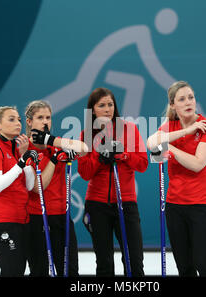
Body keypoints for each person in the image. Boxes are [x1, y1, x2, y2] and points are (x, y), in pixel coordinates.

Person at [147, 81, 206, 277]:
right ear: (173, 105)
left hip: (202, 206)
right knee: (185, 269)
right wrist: (186, 131)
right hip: (174, 207)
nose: (189, 102)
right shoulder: (170, 126)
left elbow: (197, 164)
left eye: (191, 97)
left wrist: (169, 146)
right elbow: (150, 142)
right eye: (182, 99)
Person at [78, 87, 148, 276]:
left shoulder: (128, 129)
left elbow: (142, 164)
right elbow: (84, 173)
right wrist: (99, 158)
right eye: (102, 105)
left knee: (134, 259)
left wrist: (122, 154)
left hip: (125, 203)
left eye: (110, 104)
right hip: (97, 204)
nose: (108, 109)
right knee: (104, 261)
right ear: (93, 110)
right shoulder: (86, 134)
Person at [24, 100, 88, 277]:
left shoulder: (56, 143)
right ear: (29, 122)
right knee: (40, 271)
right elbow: (38, 187)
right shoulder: (25, 148)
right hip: (37, 217)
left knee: (69, 270)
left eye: (48, 118)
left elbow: (84, 148)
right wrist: (54, 159)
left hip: (62, 216)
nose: (45, 122)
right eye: (40, 118)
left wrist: (51, 140)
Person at [0, 106, 39, 276]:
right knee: (12, 271)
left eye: (19, 119)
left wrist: (24, 158)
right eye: (11, 119)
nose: (18, 123)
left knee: (18, 270)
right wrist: (21, 163)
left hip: (22, 221)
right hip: (2, 222)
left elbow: (29, 186)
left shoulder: (14, 149)